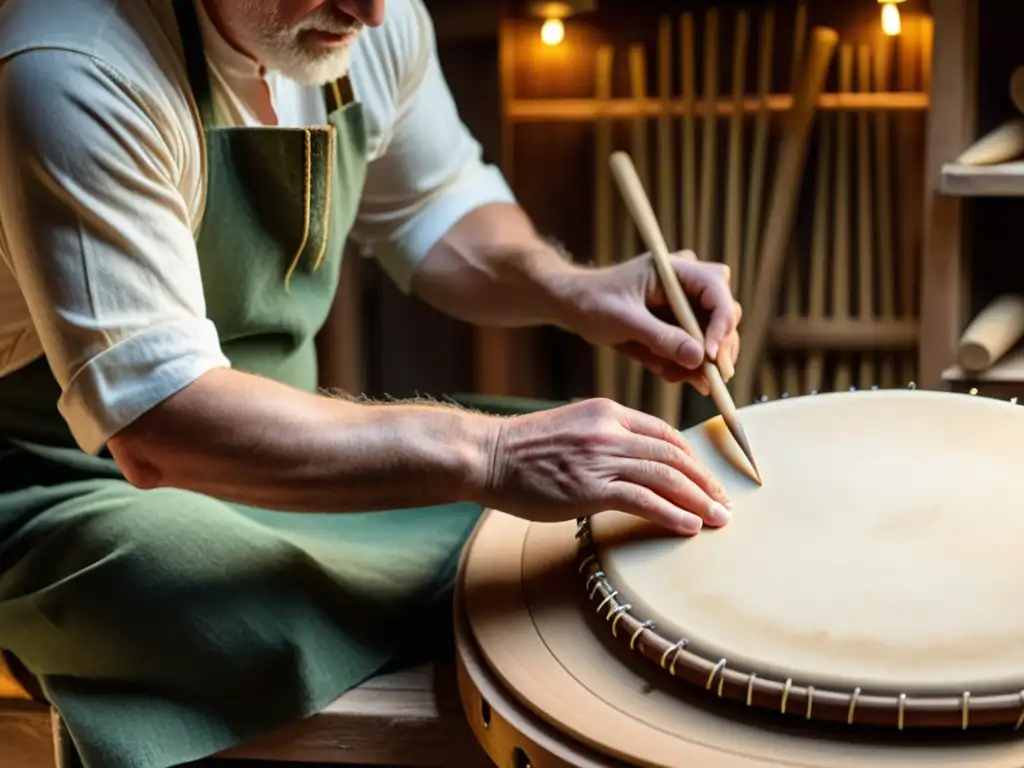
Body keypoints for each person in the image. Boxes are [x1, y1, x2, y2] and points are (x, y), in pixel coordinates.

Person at [0, 0, 743, 765]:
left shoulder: (358, 21)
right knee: (236, 607)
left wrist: (575, 288)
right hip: (66, 479)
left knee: (596, 526)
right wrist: (490, 455)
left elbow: (436, 206)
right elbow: (163, 428)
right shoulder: (75, 64)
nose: (375, 12)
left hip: (294, 443)